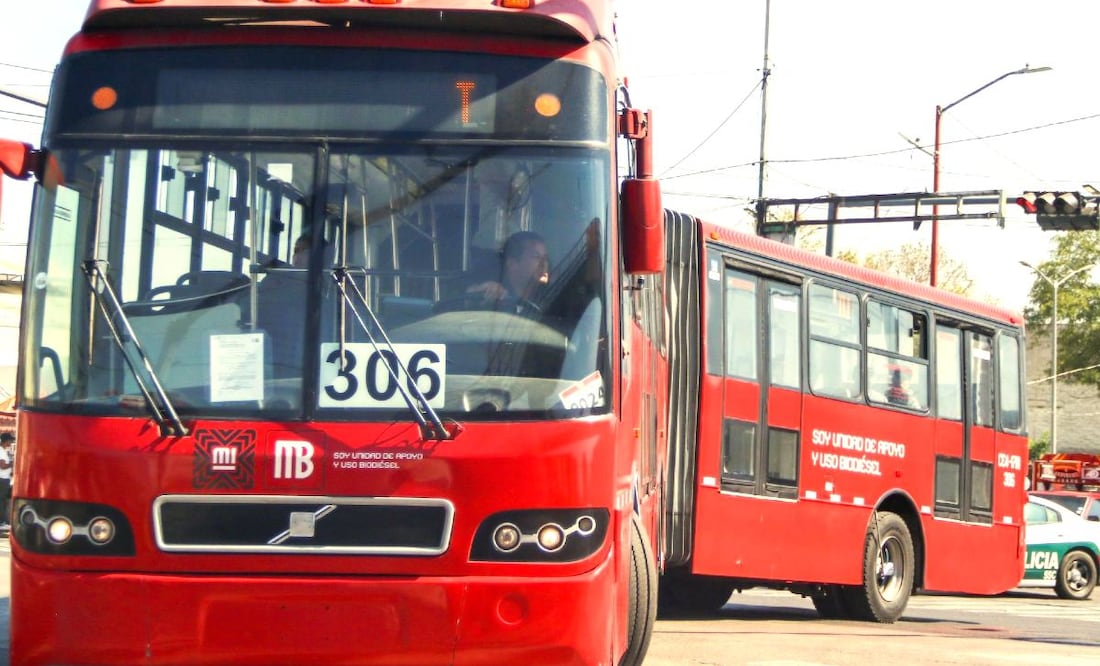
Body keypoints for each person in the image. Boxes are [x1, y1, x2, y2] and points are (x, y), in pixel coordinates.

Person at [465, 231, 550, 312]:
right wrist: (476, 293)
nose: (543, 264)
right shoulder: (494, 293)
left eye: (545, 258)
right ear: (512, 263)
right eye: (536, 256)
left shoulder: (549, 297)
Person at [0, 432, 13, 529]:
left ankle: (3, 521)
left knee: (3, 500)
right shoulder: (1, 451)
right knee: (2, 500)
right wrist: (12, 463)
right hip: (2, 479)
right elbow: (3, 466)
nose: (11, 442)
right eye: (10, 440)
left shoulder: (4, 451)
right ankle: (1, 522)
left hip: (5, 478)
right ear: (6, 441)